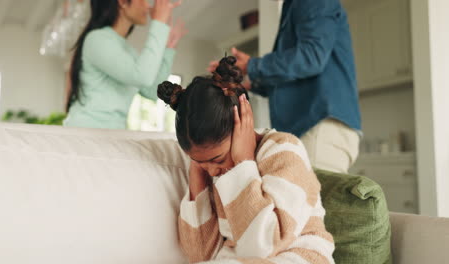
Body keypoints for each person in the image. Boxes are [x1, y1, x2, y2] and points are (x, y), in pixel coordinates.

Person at [158, 56, 334, 263]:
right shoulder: (213, 169)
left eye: (217, 159)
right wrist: (197, 173)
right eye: (200, 161)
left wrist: (244, 163)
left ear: (244, 124)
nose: (213, 171)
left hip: (297, 255)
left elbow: (265, 245)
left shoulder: (284, 150)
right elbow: (200, 254)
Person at [208, 0, 361, 173]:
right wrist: (247, 83)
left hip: (319, 127)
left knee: (309, 199)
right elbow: (296, 71)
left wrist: (252, 65)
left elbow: (311, 58)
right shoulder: (293, 7)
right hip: (314, 128)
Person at [63, 0, 186, 129]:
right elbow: (142, 76)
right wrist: (159, 23)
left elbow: (151, 90)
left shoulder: (126, 49)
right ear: (122, 2)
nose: (147, 5)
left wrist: (168, 50)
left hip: (111, 134)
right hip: (85, 131)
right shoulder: (97, 39)